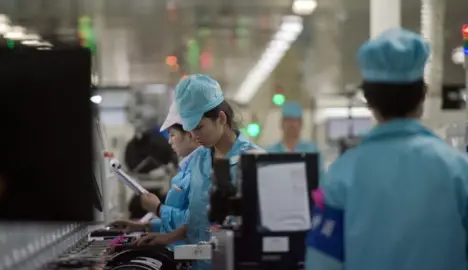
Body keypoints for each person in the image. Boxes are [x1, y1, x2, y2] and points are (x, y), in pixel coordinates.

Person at [305, 28, 468, 270]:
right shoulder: (462, 172)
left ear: (368, 99)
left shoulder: (341, 176)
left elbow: (322, 264)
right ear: (422, 94)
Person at [133, 74, 263, 270]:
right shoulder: (196, 160)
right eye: (190, 128)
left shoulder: (255, 161)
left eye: (199, 127)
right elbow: (198, 220)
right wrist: (168, 236)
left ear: (221, 118)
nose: (194, 135)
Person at [112, 102, 200, 246]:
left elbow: (196, 222)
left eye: (172, 135)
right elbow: (183, 224)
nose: (169, 141)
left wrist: (158, 209)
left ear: (189, 135)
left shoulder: (201, 171)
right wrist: (146, 226)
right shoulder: (187, 169)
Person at [267, 101, 324, 182]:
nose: (292, 124)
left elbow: (321, 181)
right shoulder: (270, 152)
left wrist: (317, 194)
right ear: (281, 123)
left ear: (301, 124)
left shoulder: (312, 150)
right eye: (288, 120)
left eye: (295, 120)